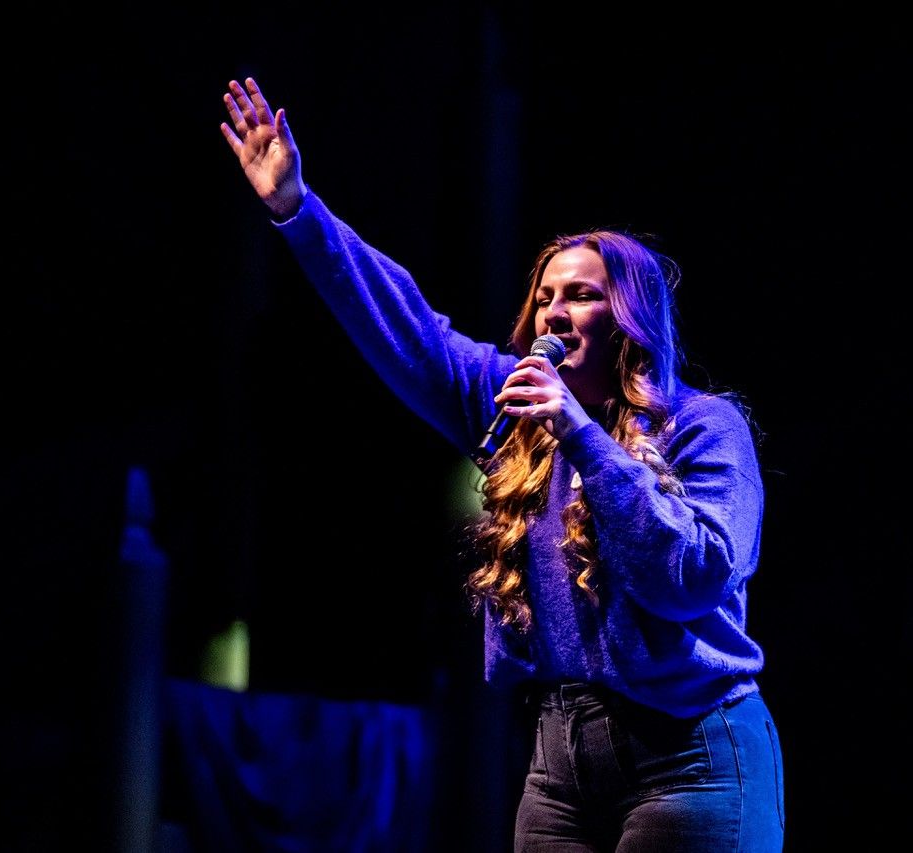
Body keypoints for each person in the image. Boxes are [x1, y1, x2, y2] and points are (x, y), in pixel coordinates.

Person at [219, 75, 786, 852]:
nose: (555, 310)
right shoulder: (513, 406)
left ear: (629, 321)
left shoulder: (704, 426)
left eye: (581, 295)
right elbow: (411, 329)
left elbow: (688, 576)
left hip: (689, 754)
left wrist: (582, 434)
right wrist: (298, 210)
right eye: (546, 294)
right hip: (560, 764)